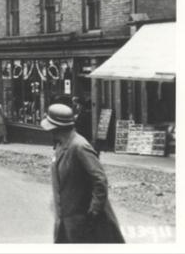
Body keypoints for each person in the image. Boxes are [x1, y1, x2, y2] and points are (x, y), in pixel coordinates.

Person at [40, 103, 124, 244]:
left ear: (57, 128)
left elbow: (99, 179)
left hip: (82, 222)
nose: (49, 132)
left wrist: (94, 211)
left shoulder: (79, 146)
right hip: (66, 220)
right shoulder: (61, 145)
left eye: (51, 129)